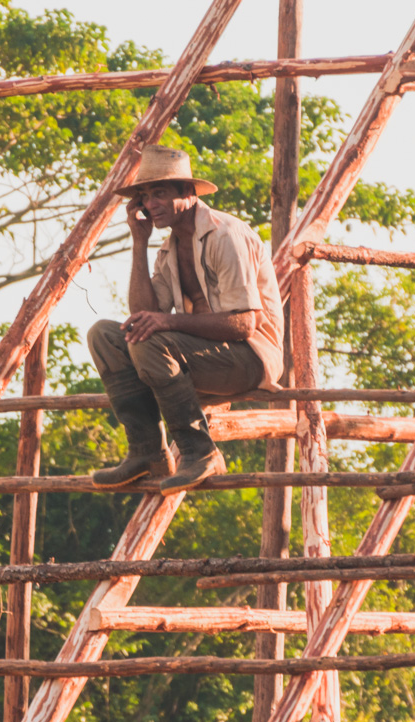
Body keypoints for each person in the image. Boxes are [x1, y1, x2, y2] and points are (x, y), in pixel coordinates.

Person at [88, 145, 284, 492]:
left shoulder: (226, 234)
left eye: (159, 193)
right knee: (104, 335)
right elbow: (143, 315)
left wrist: (168, 323)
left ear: (188, 193)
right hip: (201, 358)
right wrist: (139, 242)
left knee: (152, 338)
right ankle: (147, 452)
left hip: (251, 358)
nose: (150, 204)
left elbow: (244, 324)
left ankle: (200, 451)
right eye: (145, 197)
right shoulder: (168, 249)